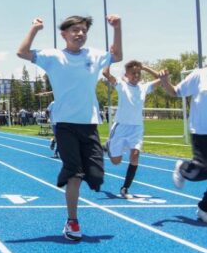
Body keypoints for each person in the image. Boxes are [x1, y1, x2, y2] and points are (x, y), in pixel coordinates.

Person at [17, 14, 122, 241]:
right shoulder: (54, 56)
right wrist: (34, 28)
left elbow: (118, 55)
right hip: (64, 124)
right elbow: (22, 52)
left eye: (83, 30)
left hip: (89, 123)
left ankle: (89, 166)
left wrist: (117, 28)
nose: (80, 34)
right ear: (64, 34)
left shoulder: (94, 55)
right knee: (74, 174)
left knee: (95, 177)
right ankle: (72, 221)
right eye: (75, 30)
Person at [102, 62, 161, 199]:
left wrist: (146, 67)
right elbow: (105, 73)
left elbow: (162, 79)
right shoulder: (121, 85)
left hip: (137, 128)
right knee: (116, 161)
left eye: (138, 73)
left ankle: (125, 188)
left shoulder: (144, 87)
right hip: (121, 127)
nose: (136, 75)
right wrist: (109, 61)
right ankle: (107, 146)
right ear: (126, 74)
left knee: (135, 155)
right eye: (133, 73)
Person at [160, 67, 207, 222]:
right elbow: (176, 91)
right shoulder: (199, 75)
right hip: (201, 131)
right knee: (202, 168)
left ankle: (204, 208)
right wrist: (165, 82)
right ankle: (183, 168)